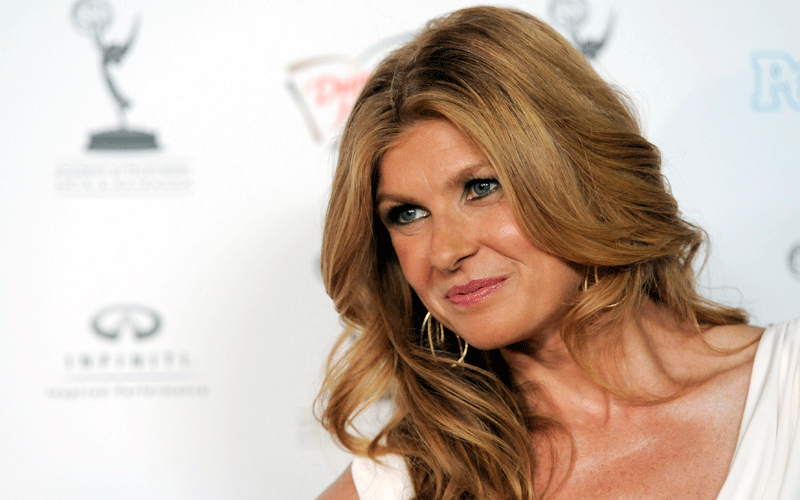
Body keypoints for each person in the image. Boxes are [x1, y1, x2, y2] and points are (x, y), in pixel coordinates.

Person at [315, 6, 799, 500]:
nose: (445, 252)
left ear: (580, 178)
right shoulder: (397, 486)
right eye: (407, 215)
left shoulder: (788, 387)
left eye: (481, 187)